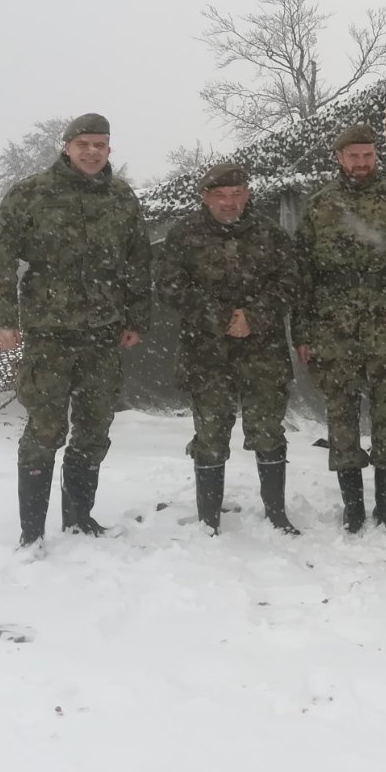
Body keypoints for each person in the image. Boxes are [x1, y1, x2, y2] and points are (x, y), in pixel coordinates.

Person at [0, 113, 151, 546]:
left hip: (103, 333)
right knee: (45, 430)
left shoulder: (121, 197)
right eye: (83, 144)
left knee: (94, 429)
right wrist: (2, 318)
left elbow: (138, 261)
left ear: (109, 149)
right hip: (49, 333)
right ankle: (32, 532)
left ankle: (79, 519)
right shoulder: (32, 193)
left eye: (100, 145)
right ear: (66, 147)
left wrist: (136, 318)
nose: (92, 152)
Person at [295, 123, 386, 533]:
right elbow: (302, 275)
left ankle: (385, 507)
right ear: (340, 159)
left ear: (377, 156)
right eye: (353, 156)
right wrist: (302, 333)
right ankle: (353, 507)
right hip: (334, 327)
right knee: (341, 416)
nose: (361, 163)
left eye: (368, 155)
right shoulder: (319, 207)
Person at [157, 163, 303, 535]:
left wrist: (254, 316)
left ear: (248, 194)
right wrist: (222, 317)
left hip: (263, 350)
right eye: (220, 195)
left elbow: (291, 282)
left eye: (237, 194)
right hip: (206, 352)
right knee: (210, 435)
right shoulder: (184, 234)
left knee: (268, 431)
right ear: (205, 197)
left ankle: (276, 514)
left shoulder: (270, 233)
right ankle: (209, 520)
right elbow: (170, 286)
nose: (229, 202)